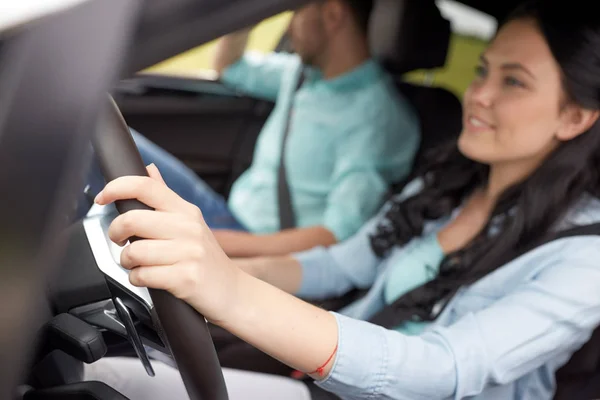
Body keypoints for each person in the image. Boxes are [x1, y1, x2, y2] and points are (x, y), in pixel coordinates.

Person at [84, 0, 600, 398]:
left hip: (358, 382)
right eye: (484, 70)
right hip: (331, 375)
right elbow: (339, 264)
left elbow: (444, 370)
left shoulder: (585, 258)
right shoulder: (451, 183)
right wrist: (221, 266)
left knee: (111, 382)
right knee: (95, 368)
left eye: (514, 81)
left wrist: (234, 293)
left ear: (574, 117)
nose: (479, 93)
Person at [88, 0, 420, 258]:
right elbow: (229, 66)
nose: (290, 27)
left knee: (98, 149)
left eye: (295, 11)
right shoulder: (302, 75)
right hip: (223, 211)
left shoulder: (377, 118)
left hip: (253, 242)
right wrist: (247, 13)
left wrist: (210, 239)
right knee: (94, 137)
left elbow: (332, 237)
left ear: (333, 14)